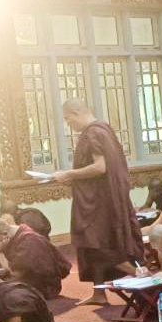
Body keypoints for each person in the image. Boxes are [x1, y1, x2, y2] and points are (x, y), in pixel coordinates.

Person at [54, 99, 142, 306]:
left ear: (77, 112)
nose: (68, 124)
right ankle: (99, 293)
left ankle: (139, 274)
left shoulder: (94, 133)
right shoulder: (104, 130)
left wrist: (69, 174)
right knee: (92, 244)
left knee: (95, 244)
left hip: (99, 202)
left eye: (68, 119)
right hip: (101, 197)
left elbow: (100, 167)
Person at [0, 216, 72, 299]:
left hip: (45, 286)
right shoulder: (14, 236)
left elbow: (15, 272)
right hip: (27, 279)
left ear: (3, 233)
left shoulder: (28, 240)